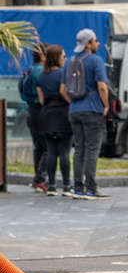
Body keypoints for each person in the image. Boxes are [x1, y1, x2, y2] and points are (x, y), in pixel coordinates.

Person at [61, 28, 110, 200]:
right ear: (88, 43)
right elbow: (102, 86)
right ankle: (91, 188)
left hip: (74, 110)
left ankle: (77, 187)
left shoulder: (70, 61)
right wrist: (106, 105)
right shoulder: (96, 60)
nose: (97, 43)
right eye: (95, 40)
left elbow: (63, 89)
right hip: (92, 108)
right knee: (91, 149)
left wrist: (74, 103)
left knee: (79, 149)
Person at [37, 44, 73, 197]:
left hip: (47, 114)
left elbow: (41, 99)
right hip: (63, 113)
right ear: (57, 58)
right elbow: (64, 91)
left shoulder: (41, 76)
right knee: (64, 151)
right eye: (63, 56)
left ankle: (51, 184)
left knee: (51, 151)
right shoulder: (63, 73)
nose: (65, 59)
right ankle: (66, 185)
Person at [23, 42, 48, 193]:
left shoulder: (31, 69)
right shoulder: (41, 71)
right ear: (43, 56)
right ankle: (40, 178)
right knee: (47, 147)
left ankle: (37, 177)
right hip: (40, 111)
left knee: (38, 146)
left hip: (30, 111)